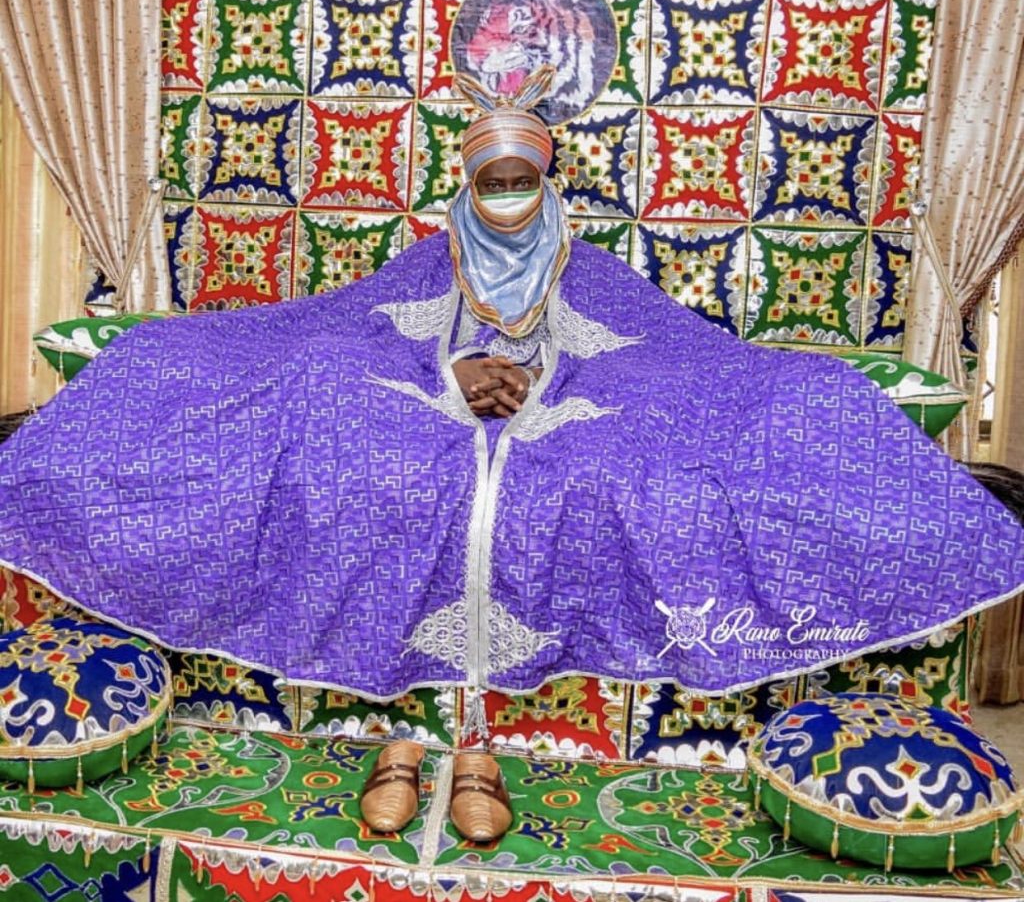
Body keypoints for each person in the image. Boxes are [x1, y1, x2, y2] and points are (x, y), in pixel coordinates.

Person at [1, 67, 1023, 841]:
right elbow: (361, 330)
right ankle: (408, 732)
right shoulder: (429, 255)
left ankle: (473, 743)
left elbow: (656, 353)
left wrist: (549, 383)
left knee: (727, 412)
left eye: (518, 182)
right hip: (420, 403)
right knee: (306, 383)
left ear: (546, 179)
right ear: (465, 181)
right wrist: (452, 378)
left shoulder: (588, 264)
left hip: (569, 405)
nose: (503, 199)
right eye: (487, 183)